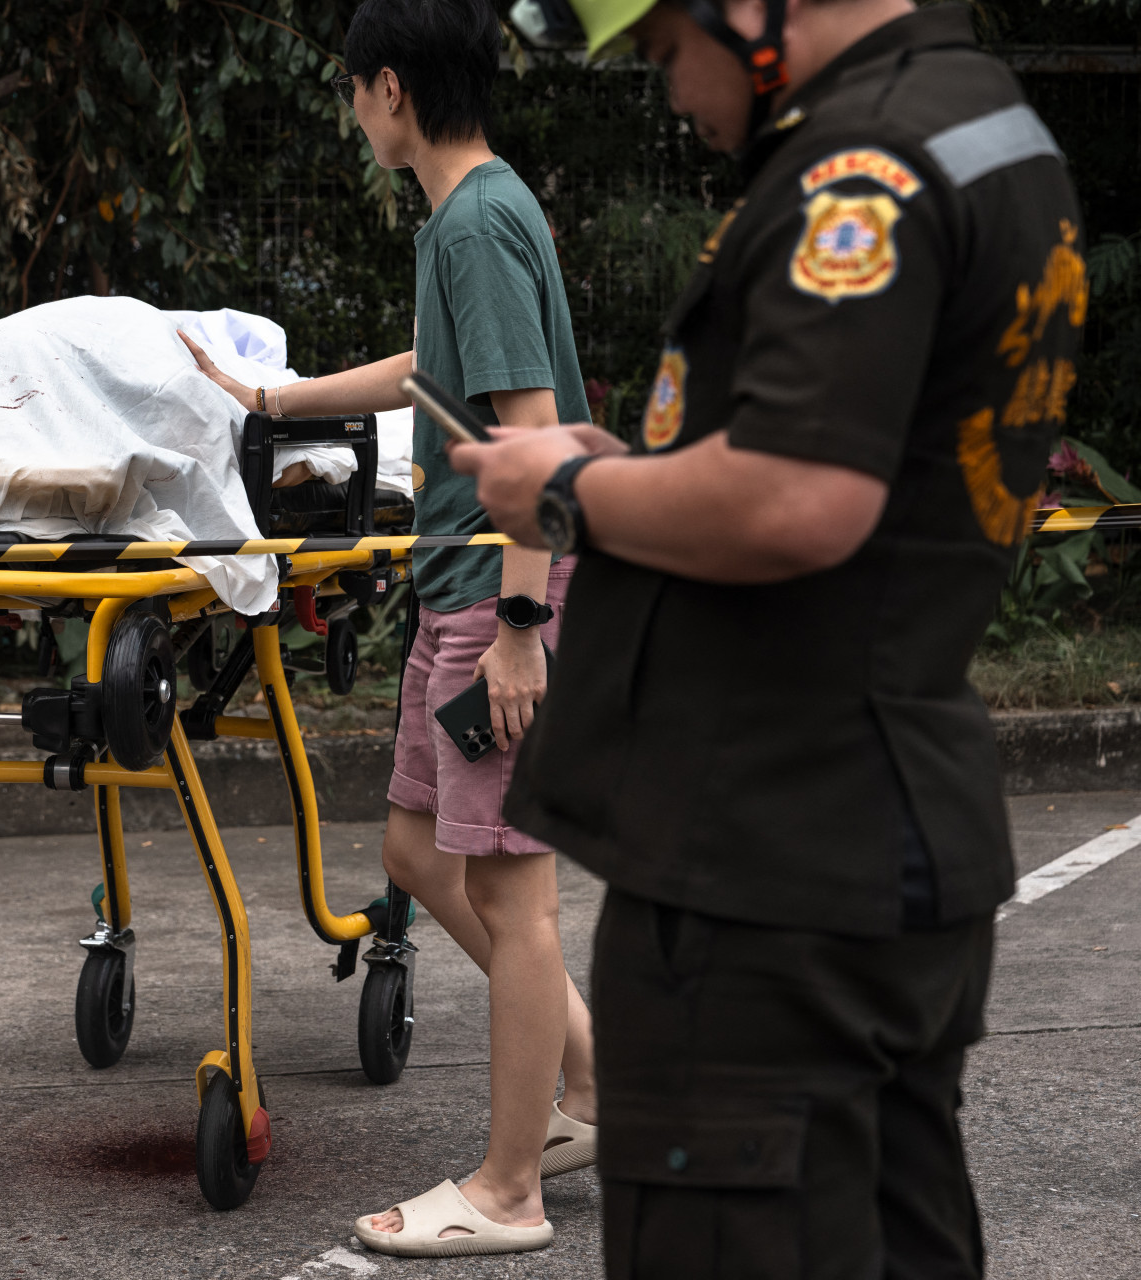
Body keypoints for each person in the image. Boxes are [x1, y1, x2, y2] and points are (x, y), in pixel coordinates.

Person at [451, 0, 1081, 1272]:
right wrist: (636, 472)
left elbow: (802, 496)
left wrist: (567, 494)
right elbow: (867, 467)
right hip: (881, 830)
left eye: (662, 50)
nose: (675, 95)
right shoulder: (983, 126)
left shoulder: (863, 168)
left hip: (764, 864)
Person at [185, 0, 595, 1256]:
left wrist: (519, 624)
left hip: (494, 596)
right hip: (459, 588)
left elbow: (531, 434)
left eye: (355, 90)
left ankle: (510, 1189)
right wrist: (273, 397)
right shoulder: (470, 214)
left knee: (514, 894)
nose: (355, 111)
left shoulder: (476, 222)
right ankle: (594, 1080)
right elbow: (432, 370)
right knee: (418, 852)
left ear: (391, 89)